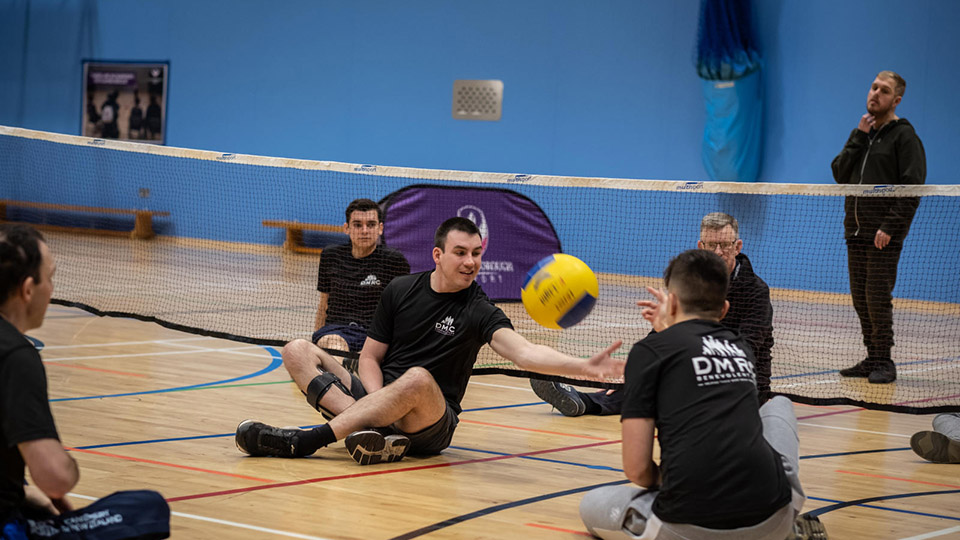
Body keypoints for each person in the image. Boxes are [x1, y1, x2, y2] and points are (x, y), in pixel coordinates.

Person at [236, 217, 623, 465]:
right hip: (381, 393)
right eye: (460, 253)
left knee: (420, 378)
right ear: (438, 254)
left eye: (476, 253)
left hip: (431, 421)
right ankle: (373, 432)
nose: (470, 261)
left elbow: (525, 352)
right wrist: (376, 400)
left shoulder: (478, 309)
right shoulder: (401, 289)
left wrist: (583, 366)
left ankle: (305, 442)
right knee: (297, 349)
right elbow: (370, 357)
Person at [579, 249, 811, 540]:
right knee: (779, 404)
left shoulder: (649, 353)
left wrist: (670, 480)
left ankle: (644, 525)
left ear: (671, 302)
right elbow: (694, 349)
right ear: (724, 309)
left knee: (591, 505)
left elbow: (637, 470)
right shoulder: (740, 348)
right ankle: (792, 526)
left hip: (686, 527)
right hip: (772, 518)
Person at [0, 224, 170, 539]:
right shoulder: (16, 356)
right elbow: (55, 479)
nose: (52, 288)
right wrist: (62, 466)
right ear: (27, 290)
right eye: (49, 278)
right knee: (147, 507)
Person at [531, 212, 774, 416]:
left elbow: (747, 351)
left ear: (738, 246)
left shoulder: (755, 291)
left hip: (742, 380)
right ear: (701, 246)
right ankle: (584, 402)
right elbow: (657, 335)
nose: (719, 252)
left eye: (726, 245)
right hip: (698, 366)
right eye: (712, 245)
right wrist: (633, 370)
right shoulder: (690, 283)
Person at [832, 70, 926, 385]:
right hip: (855, 232)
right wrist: (857, 137)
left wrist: (890, 226)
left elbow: (912, 189)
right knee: (860, 298)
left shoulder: (904, 137)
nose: (875, 94)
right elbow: (840, 174)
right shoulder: (863, 135)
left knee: (876, 297)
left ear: (896, 100)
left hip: (883, 234)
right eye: (873, 87)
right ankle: (871, 357)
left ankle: (884, 361)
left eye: (883, 90)